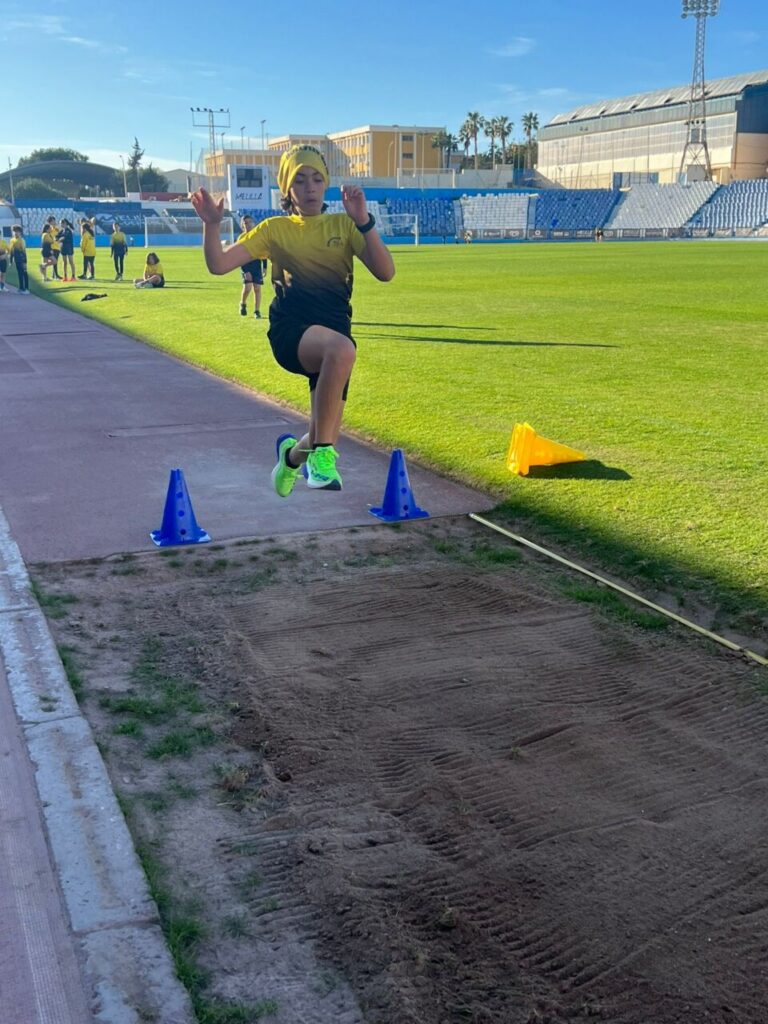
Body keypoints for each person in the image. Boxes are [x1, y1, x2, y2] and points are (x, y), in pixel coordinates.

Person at [191, 143, 395, 494]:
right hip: (292, 333)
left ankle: (290, 459)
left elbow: (385, 272)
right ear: (287, 188)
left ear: (326, 183)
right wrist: (212, 224)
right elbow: (219, 264)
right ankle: (321, 457)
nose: (310, 187)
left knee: (321, 431)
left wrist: (363, 222)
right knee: (342, 353)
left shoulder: (345, 226)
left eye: (317, 179)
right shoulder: (275, 229)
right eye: (300, 180)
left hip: (334, 338)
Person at [236, 214, 266, 318]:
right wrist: (245, 270)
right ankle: (243, 303)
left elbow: (263, 251)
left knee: (257, 288)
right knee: (247, 287)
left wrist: (265, 266)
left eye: (250, 222)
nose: (248, 224)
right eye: (245, 223)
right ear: (242, 225)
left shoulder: (258, 236)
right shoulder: (241, 238)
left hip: (256, 265)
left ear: (253, 223)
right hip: (246, 265)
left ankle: (257, 311)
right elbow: (239, 256)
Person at [9, 225, 29, 294]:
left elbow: (24, 252)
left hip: (22, 260)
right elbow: (11, 251)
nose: (15, 233)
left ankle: (26, 289)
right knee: (19, 274)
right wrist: (11, 261)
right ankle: (21, 288)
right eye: (14, 231)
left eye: (17, 231)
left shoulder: (21, 240)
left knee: (24, 273)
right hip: (17, 260)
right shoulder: (12, 240)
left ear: (20, 232)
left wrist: (25, 262)